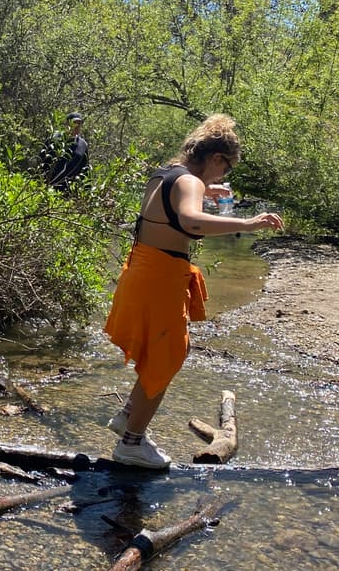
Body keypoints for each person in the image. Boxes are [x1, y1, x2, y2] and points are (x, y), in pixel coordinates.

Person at [103, 114, 283, 469]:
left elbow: (170, 209)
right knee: (167, 357)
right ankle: (131, 444)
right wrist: (247, 223)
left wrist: (204, 190)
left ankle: (128, 416)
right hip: (160, 279)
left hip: (141, 271)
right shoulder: (190, 183)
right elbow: (190, 221)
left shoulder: (167, 172)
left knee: (161, 354)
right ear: (215, 158)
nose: (222, 176)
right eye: (225, 168)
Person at [44, 111, 90, 190]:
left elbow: (85, 169)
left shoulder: (83, 145)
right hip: (48, 187)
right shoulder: (54, 139)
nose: (76, 126)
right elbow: (43, 161)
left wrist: (86, 190)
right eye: (74, 123)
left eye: (79, 123)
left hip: (69, 190)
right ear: (66, 124)